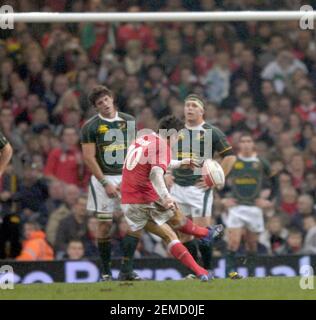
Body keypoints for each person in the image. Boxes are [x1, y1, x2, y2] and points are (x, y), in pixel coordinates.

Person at [121, 115, 224, 282]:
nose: (177, 141)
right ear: (171, 134)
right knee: (174, 214)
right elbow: (155, 173)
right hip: (143, 195)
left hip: (127, 199)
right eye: (177, 137)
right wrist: (167, 197)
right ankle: (206, 234)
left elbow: (150, 164)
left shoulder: (144, 138)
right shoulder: (163, 146)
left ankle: (201, 270)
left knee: (170, 235)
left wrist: (180, 162)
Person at [168, 94, 236, 272]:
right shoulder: (175, 131)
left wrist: (215, 178)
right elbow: (163, 154)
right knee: (182, 233)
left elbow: (230, 156)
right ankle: (197, 272)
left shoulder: (211, 131)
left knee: (202, 232)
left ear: (202, 111)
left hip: (199, 188)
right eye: (187, 105)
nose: (189, 108)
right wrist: (166, 173)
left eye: (193, 106)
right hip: (176, 187)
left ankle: (208, 270)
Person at [80, 85, 138, 281]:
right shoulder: (90, 126)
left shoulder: (128, 120)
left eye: (106, 99)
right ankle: (105, 272)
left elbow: (133, 152)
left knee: (135, 223)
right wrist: (105, 183)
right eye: (99, 103)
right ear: (96, 107)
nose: (104, 104)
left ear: (112, 98)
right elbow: (89, 158)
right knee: (104, 225)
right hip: (102, 178)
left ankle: (127, 269)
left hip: (126, 177)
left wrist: (129, 178)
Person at [223, 133, 278, 279]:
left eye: (249, 141)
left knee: (251, 244)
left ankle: (252, 275)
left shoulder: (261, 162)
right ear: (239, 144)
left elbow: (275, 181)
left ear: (253, 144)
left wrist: (269, 199)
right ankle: (230, 273)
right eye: (243, 141)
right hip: (236, 208)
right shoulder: (233, 161)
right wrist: (223, 199)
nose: (246, 144)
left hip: (254, 208)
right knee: (234, 241)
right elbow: (218, 178)